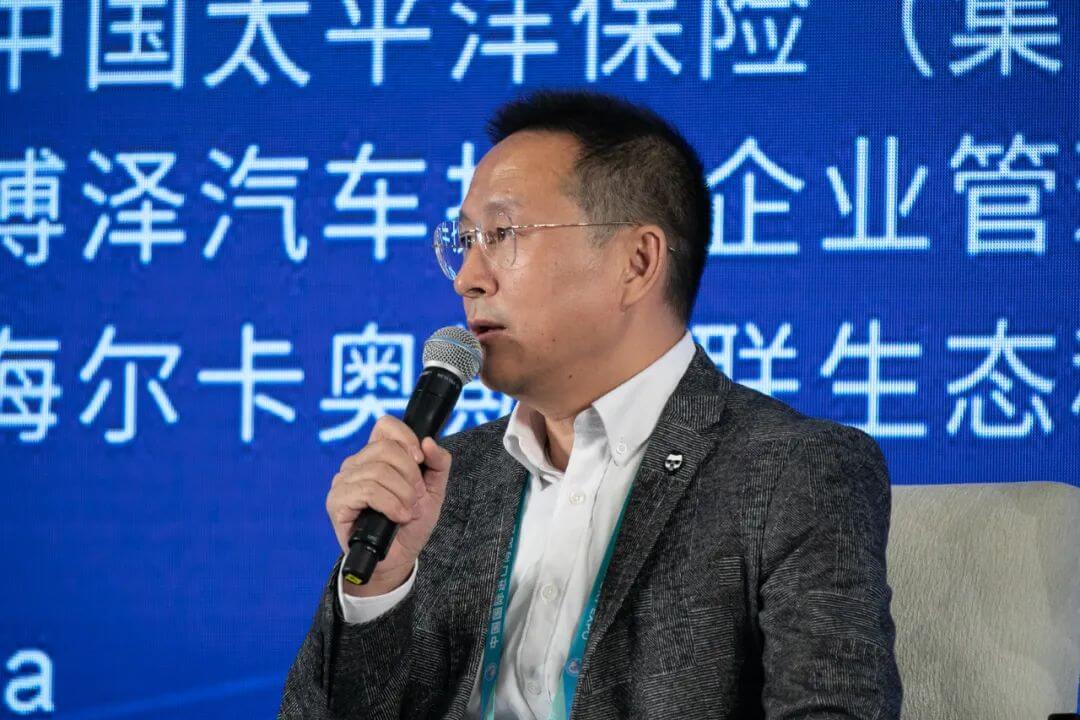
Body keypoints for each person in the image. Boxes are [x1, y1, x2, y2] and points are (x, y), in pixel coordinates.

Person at [279, 89, 902, 720]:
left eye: (502, 233)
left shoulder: (793, 472)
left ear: (637, 262)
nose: (468, 277)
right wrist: (381, 589)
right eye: (464, 239)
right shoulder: (441, 482)